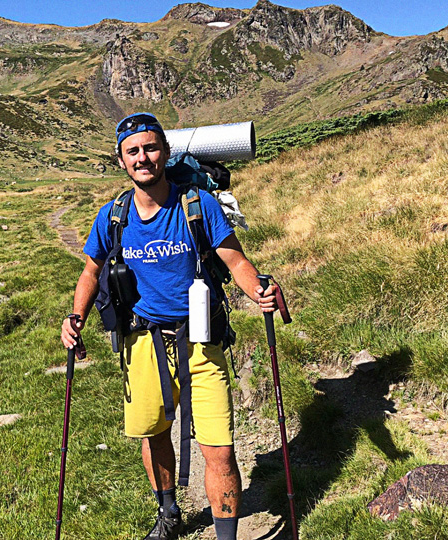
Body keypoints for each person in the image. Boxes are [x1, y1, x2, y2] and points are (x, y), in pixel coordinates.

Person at [60, 112, 278, 540]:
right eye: (133, 151)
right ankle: (168, 513)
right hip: (141, 341)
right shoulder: (113, 216)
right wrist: (76, 319)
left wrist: (259, 290)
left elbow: (235, 260)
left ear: (166, 152)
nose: (143, 158)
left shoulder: (198, 205)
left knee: (219, 449)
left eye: (151, 148)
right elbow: (90, 271)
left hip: (201, 339)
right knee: (154, 435)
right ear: (121, 160)